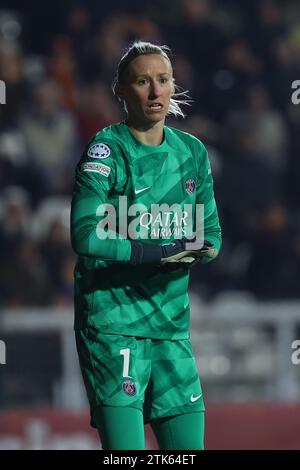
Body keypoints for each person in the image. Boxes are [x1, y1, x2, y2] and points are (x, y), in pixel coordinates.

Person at [70, 41, 222, 450]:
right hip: (113, 327)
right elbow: (84, 236)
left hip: (171, 330)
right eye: (142, 81)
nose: (155, 92)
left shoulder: (191, 152)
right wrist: (161, 251)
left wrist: (192, 248)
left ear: (174, 87)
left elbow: (212, 237)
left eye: (162, 80)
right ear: (121, 90)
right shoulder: (107, 151)